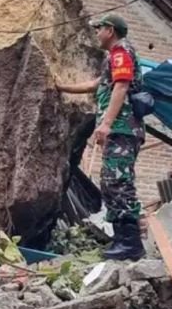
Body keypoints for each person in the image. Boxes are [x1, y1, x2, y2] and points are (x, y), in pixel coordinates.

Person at [56, 14, 145, 260]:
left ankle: (131, 243)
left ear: (110, 30)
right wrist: (62, 87)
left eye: (99, 29)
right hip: (119, 129)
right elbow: (99, 83)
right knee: (111, 181)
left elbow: (121, 86)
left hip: (122, 128)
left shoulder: (121, 53)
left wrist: (106, 124)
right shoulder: (113, 57)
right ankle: (122, 240)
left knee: (118, 182)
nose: (96, 34)